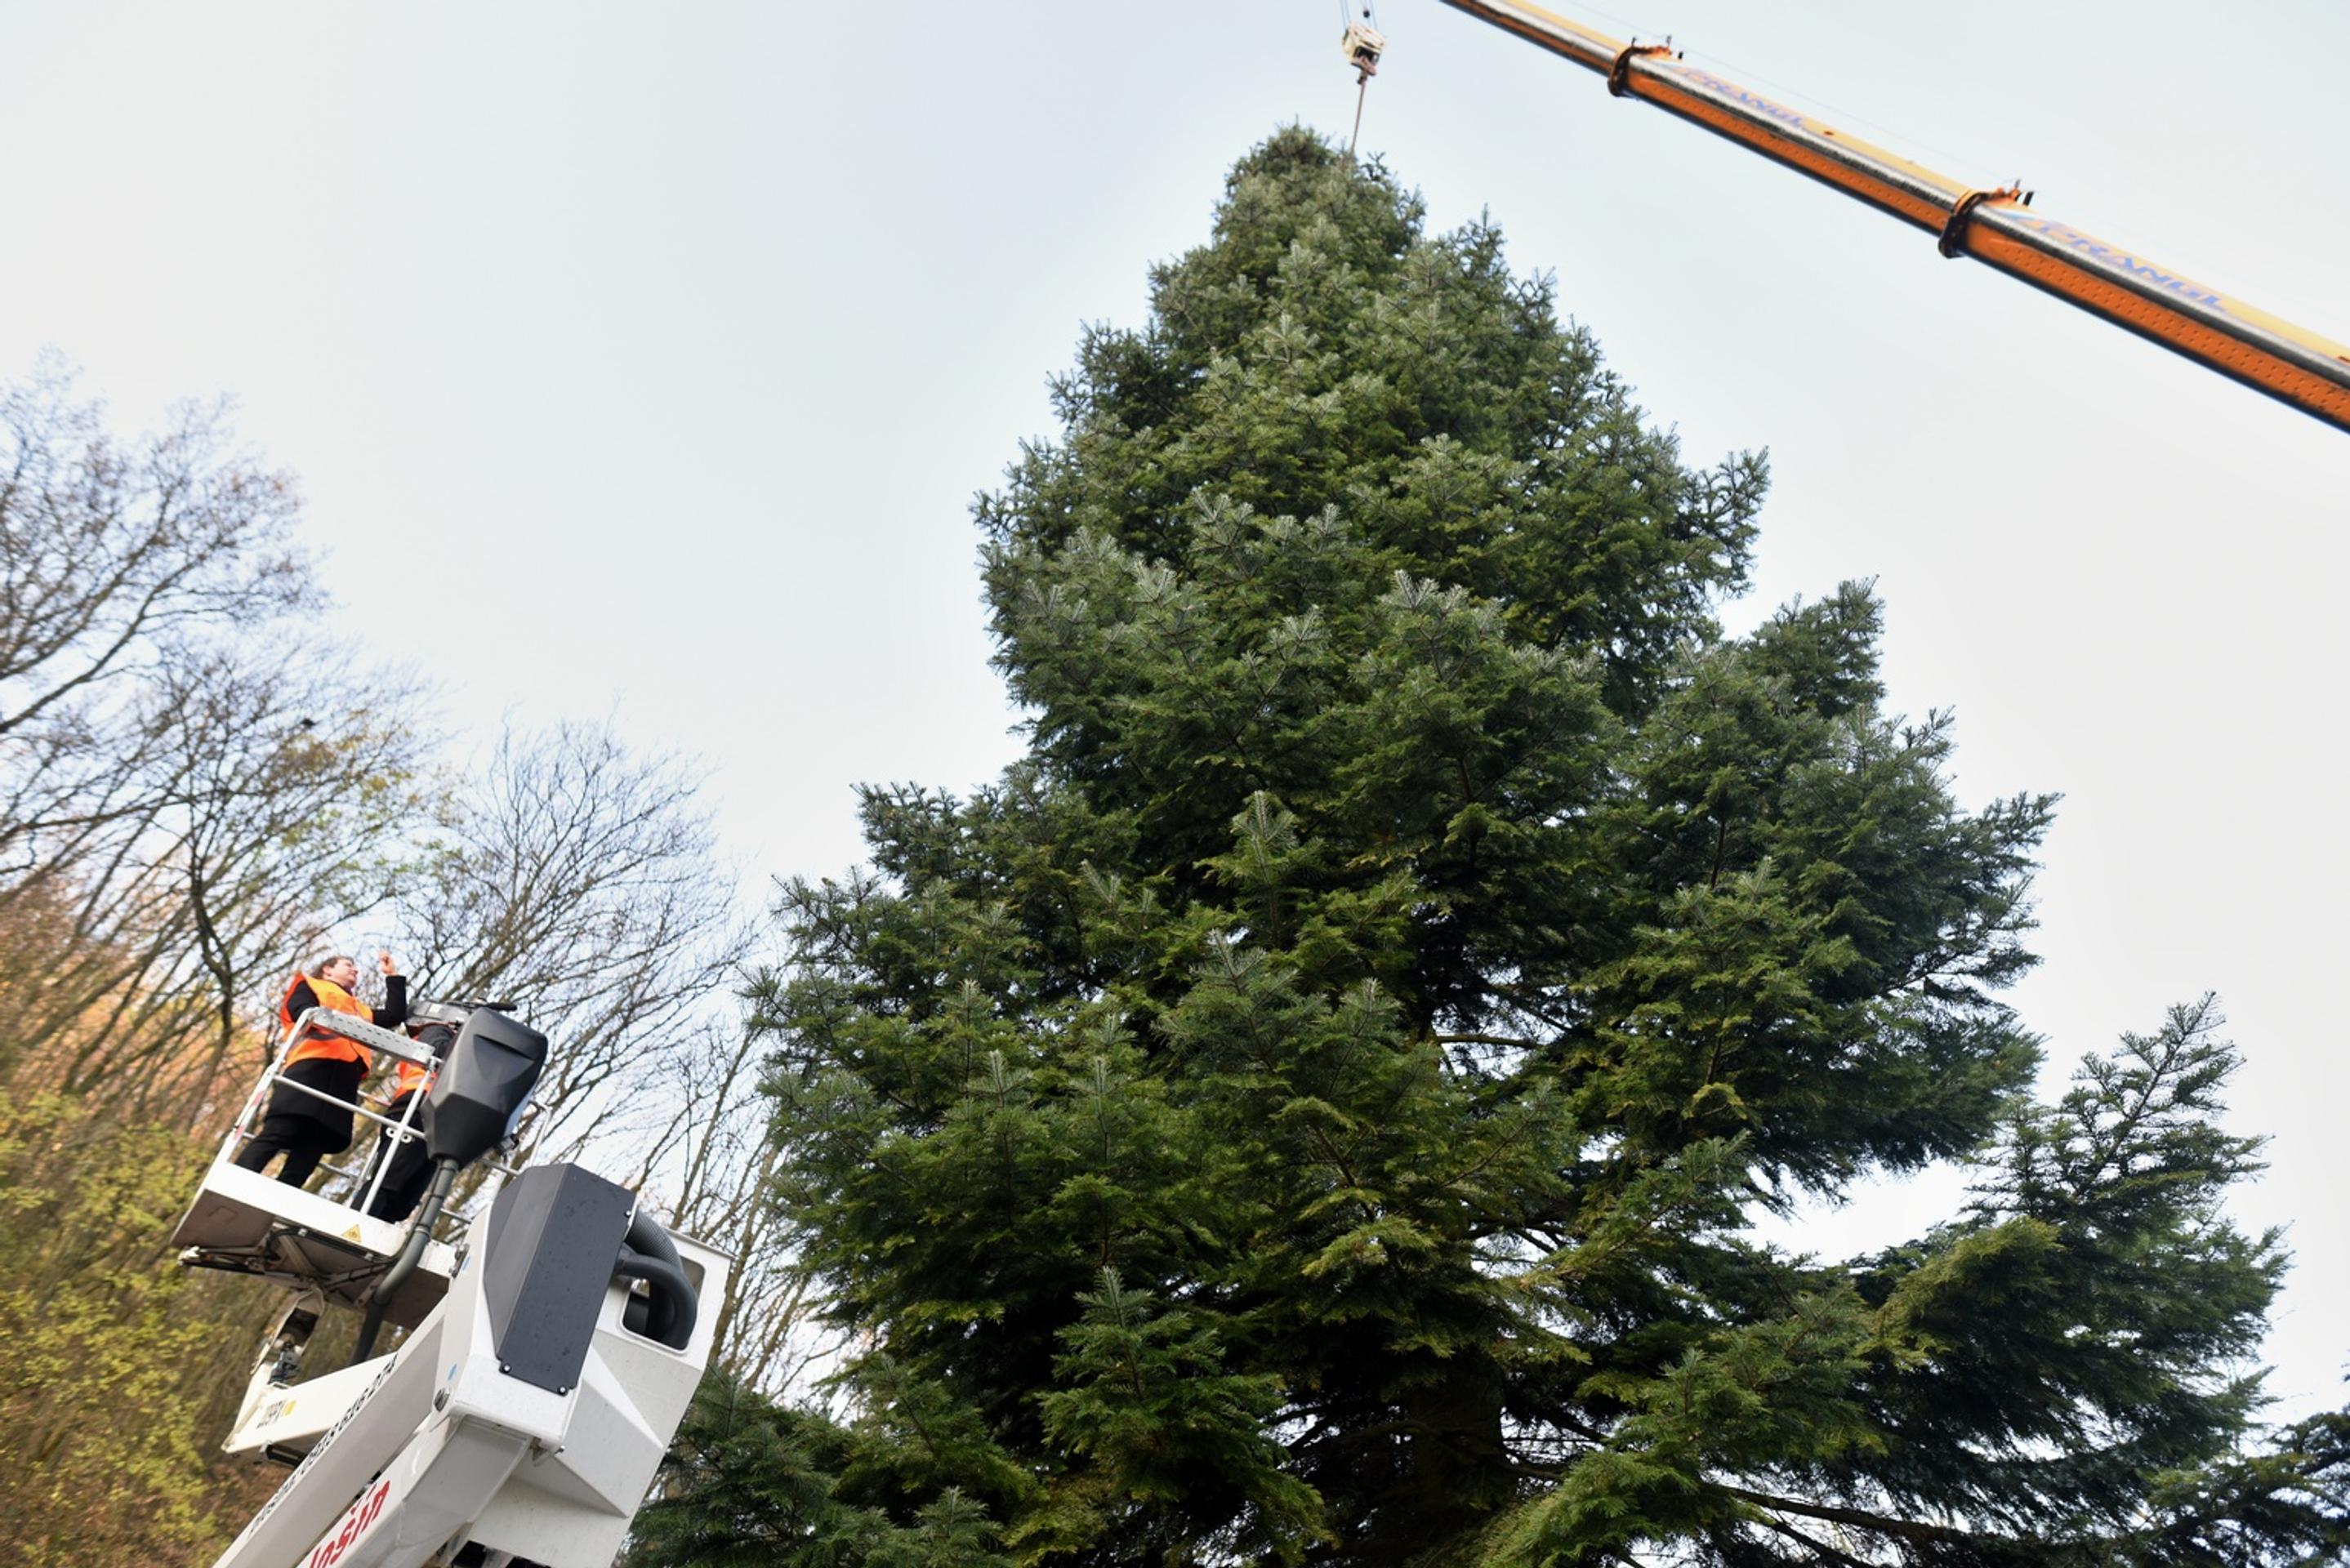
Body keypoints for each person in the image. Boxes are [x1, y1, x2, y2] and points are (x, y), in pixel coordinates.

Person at [234, 951, 408, 1188]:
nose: (355, 970)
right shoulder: (311, 986)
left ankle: (278, 1200)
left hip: (344, 1083)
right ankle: (237, 1181)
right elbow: (300, 1010)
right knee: (279, 1132)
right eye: (348, 964)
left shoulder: (361, 1009)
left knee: (312, 1150)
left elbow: (394, 1015)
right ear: (328, 970)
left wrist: (392, 975)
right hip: (310, 1070)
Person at [362, 1018, 451, 1223]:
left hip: (442, 1119)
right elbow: (438, 1051)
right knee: (387, 1180)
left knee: (405, 1198)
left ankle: (378, 1233)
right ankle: (356, 1225)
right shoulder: (436, 1032)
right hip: (416, 1107)